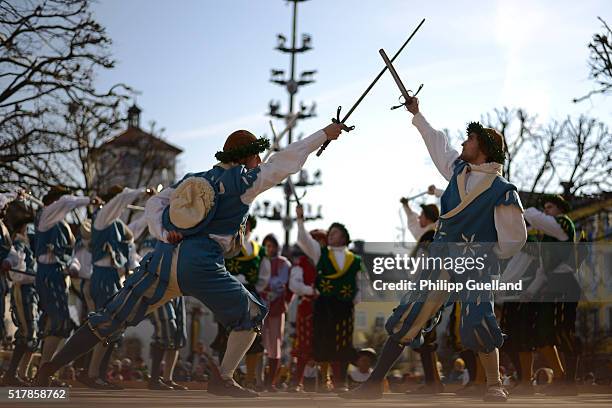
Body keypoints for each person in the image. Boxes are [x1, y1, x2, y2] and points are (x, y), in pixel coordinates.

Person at [36, 122, 345, 398]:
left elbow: (155, 202)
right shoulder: (246, 182)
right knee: (252, 314)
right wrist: (324, 135)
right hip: (200, 265)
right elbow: (285, 160)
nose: (260, 162)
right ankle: (223, 379)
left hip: (162, 259)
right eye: (257, 157)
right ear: (249, 156)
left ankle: (48, 369)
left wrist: (161, 232)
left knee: (109, 318)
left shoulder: (194, 179)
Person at [343, 96, 527, 402]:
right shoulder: (457, 172)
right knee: (411, 313)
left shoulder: (501, 190)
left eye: (470, 139)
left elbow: (516, 237)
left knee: (478, 317)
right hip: (440, 259)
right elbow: (436, 142)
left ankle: (495, 384)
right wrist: (417, 114)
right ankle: (373, 383)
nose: (464, 143)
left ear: (482, 148)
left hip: (474, 265)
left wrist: (490, 256)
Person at [35, 186, 100, 387]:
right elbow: (65, 203)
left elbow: (70, 256)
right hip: (49, 274)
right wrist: (89, 200)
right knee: (56, 322)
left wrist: (73, 266)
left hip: (61, 276)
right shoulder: (46, 218)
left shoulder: (62, 225)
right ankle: (42, 373)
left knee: (60, 324)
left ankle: (44, 371)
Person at [296, 205, 364, 392]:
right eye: (330, 233)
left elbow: (360, 282)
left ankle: (340, 383)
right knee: (323, 340)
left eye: (334, 233)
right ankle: (321, 381)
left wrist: (355, 299)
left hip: (344, 306)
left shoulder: (355, 259)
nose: (330, 236)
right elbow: (304, 241)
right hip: (325, 305)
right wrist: (300, 220)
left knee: (343, 342)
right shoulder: (321, 253)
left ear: (343, 237)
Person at [523, 194, 579, 396]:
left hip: (565, 284)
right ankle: (561, 377)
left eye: (550, 207)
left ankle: (569, 383)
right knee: (543, 334)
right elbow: (543, 271)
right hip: (551, 285)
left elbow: (535, 217)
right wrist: (529, 293)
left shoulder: (563, 224)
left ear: (559, 209)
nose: (546, 210)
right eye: (545, 207)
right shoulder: (548, 236)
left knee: (564, 332)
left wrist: (522, 209)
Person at [400, 191, 444, 394]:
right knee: (425, 337)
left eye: (421, 216)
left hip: (427, 291)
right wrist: (407, 207)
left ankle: (433, 383)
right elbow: (411, 222)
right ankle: (433, 381)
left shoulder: (433, 236)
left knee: (423, 337)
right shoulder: (430, 234)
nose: (418, 219)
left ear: (428, 217)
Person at [0, 194, 38, 386]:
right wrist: (7, 262)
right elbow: (14, 258)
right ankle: (12, 373)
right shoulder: (19, 242)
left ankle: (17, 373)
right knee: (28, 332)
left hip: (29, 290)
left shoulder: (25, 240)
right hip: (22, 289)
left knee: (29, 332)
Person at [288, 229, 326, 392]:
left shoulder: (329, 263)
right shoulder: (301, 263)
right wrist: (311, 290)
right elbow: (294, 285)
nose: (317, 245)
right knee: (304, 345)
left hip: (326, 309)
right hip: (307, 308)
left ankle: (326, 381)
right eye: (315, 241)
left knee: (326, 345)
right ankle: (297, 381)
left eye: (321, 242)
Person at [259, 233, 291, 391]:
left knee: (275, 343)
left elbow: (281, 283)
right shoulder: (260, 260)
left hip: (276, 307)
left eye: (272, 245)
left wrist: (266, 286)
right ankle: (258, 379)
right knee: (260, 342)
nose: (269, 248)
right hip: (259, 305)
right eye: (267, 245)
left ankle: (270, 381)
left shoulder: (283, 263)